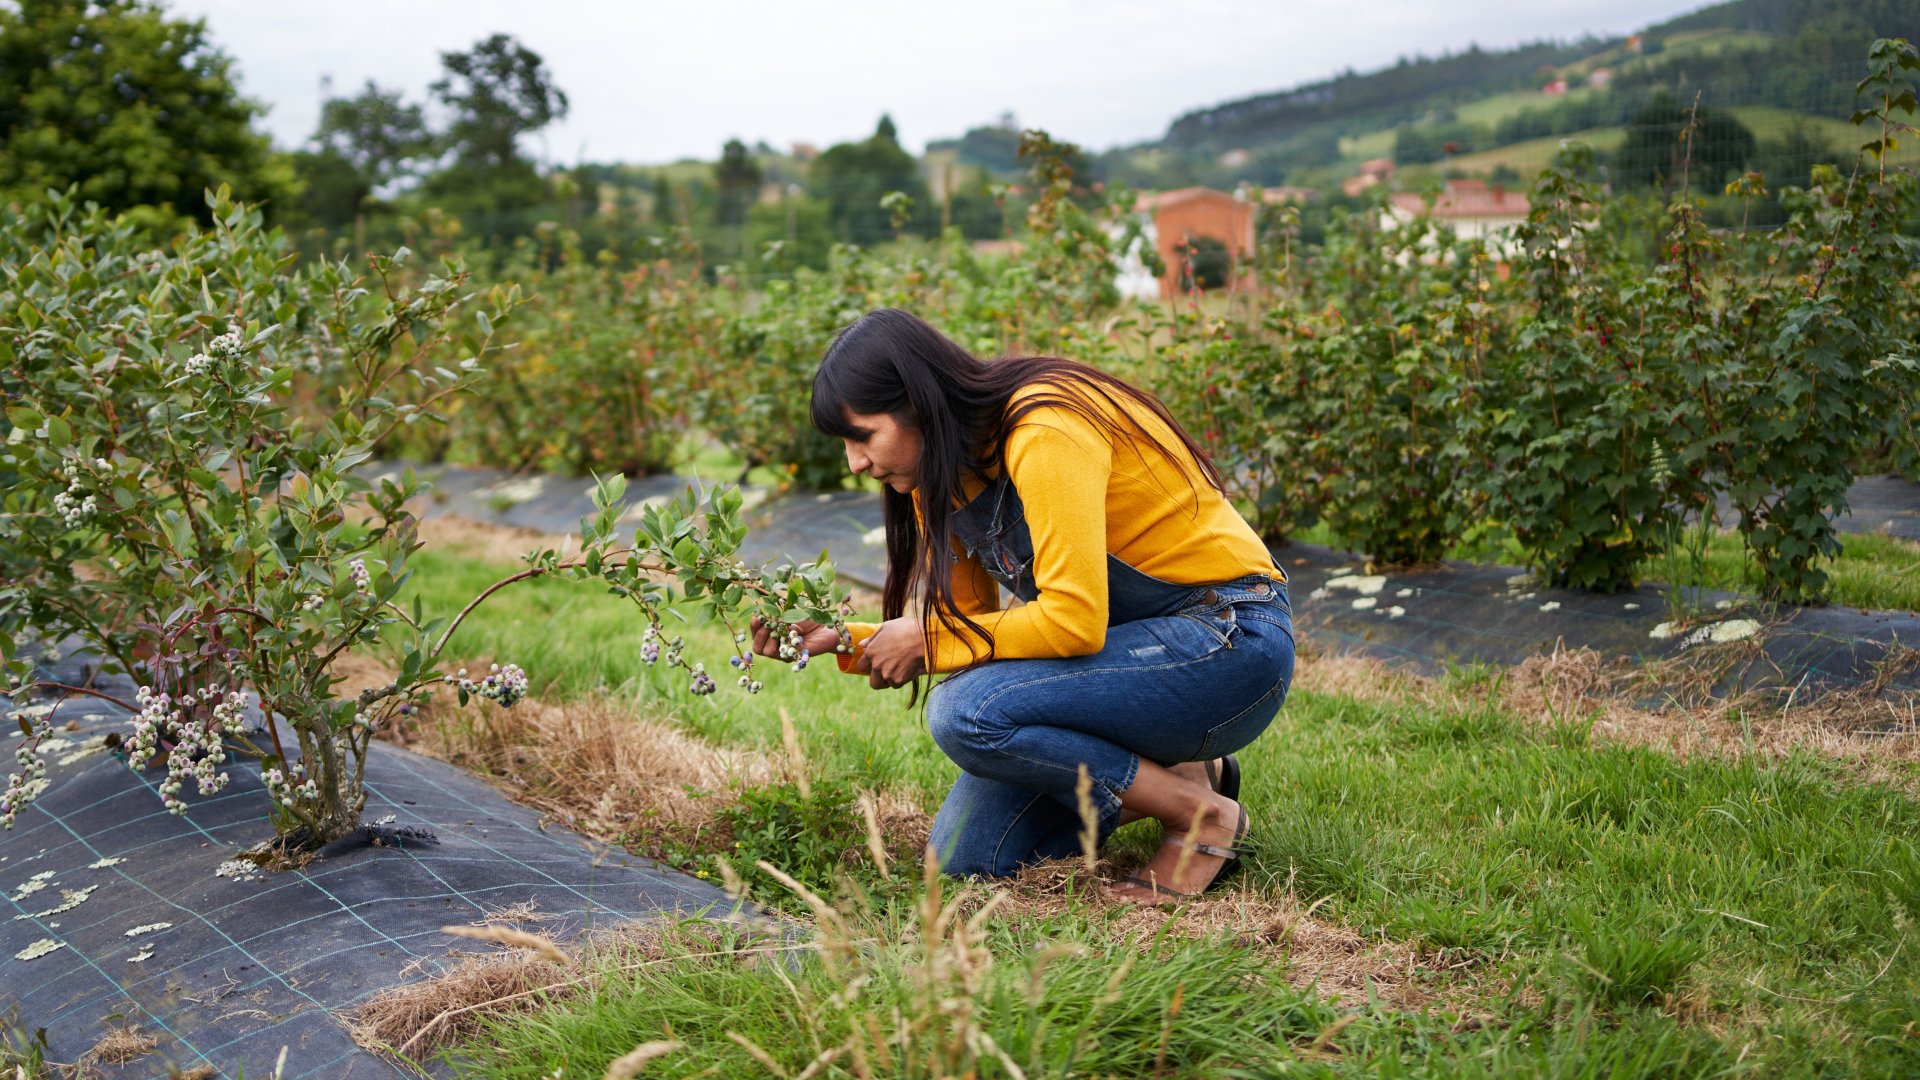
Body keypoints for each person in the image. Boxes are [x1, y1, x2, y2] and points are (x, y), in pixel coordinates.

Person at [748, 308, 1294, 904]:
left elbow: (1073, 621)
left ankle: (1199, 815)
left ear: (919, 404)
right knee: (966, 863)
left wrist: (924, 641)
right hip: (1126, 666)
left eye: (864, 435)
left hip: (1227, 643)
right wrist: (845, 637)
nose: (856, 462)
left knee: (964, 713)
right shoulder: (941, 476)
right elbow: (968, 630)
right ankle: (1186, 774)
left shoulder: (1045, 427)